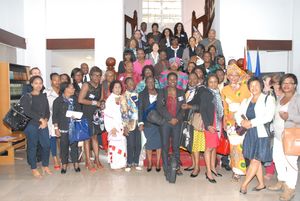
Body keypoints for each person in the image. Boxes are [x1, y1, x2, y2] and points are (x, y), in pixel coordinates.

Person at [235, 77, 275, 194]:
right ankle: (261, 184)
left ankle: (244, 184)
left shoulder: (269, 99)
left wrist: (251, 123)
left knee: (256, 160)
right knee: (253, 159)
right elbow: (238, 114)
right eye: (251, 86)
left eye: (256, 85)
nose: (254, 88)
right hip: (250, 133)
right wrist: (242, 122)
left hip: (262, 133)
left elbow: (268, 116)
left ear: (261, 86)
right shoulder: (246, 101)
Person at [268, 74, 300, 201]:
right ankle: (282, 181)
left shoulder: (297, 99)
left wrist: (290, 117)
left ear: (295, 85)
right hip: (277, 135)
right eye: (284, 83)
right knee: (278, 159)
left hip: (291, 136)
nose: (286, 85)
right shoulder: (280, 97)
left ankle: (290, 188)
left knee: (291, 162)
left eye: (290, 83)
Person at [221, 64, 251, 181]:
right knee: (234, 147)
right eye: (231, 75)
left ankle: (246, 167)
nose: (233, 77)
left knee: (244, 146)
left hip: (244, 121)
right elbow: (225, 107)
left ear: (239, 76)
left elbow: (250, 103)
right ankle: (236, 171)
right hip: (231, 123)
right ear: (227, 77)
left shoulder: (245, 87)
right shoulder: (224, 90)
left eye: (236, 75)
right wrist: (225, 121)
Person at [181, 72, 214, 178]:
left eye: (194, 79)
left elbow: (201, 107)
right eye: (189, 79)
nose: (191, 81)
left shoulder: (201, 90)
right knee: (190, 143)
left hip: (197, 120)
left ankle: (197, 168)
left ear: (198, 79)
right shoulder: (187, 90)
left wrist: (189, 107)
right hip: (187, 119)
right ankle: (194, 164)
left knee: (195, 144)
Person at [21, 76, 51, 178]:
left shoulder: (43, 96)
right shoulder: (26, 97)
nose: (38, 85)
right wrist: (41, 119)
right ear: (32, 84)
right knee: (33, 147)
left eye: (40, 83)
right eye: (36, 83)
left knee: (46, 145)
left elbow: (47, 111)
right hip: (31, 125)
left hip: (43, 125)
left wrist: (45, 120)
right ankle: (33, 168)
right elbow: (28, 111)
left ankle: (45, 166)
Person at [157, 72, 185, 176]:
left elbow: (183, 108)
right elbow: (159, 107)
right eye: (170, 79)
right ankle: (166, 167)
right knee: (165, 145)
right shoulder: (162, 92)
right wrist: (170, 118)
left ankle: (176, 167)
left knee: (176, 145)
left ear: (177, 81)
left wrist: (177, 119)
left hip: (177, 123)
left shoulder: (181, 92)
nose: (172, 81)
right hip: (165, 122)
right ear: (167, 81)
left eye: (174, 79)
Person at [52, 82, 81, 174]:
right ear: (65, 89)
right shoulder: (58, 101)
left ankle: (76, 163)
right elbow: (55, 116)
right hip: (63, 127)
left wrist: (75, 115)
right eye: (71, 88)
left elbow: (80, 111)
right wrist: (56, 128)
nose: (74, 90)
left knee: (74, 146)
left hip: (74, 126)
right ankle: (64, 164)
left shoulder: (75, 99)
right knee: (63, 146)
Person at [78, 66, 103, 171]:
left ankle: (97, 159)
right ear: (90, 76)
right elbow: (80, 100)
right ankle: (88, 161)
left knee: (95, 137)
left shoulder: (100, 86)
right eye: (95, 75)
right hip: (86, 113)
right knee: (87, 138)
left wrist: (102, 103)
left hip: (95, 114)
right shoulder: (86, 85)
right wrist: (94, 102)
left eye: (99, 75)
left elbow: (101, 99)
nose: (97, 77)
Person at [138, 76, 162, 172]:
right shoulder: (142, 94)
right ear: (146, 83)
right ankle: (149, 163)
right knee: (149, 144)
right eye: (149, 82)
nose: (151, 83)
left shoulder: (160, 92)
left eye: (152, 82)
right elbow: (140, 109)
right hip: (147, 122)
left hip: (159, 122)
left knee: (159, 143)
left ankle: (157, 163)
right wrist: (140, 122)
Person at [205, 74, 225, 182]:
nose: (213, 84)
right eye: (210, 82)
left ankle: (213, 168)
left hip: (218, 122)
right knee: (209, 147)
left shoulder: (218, 93)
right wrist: (208, 125)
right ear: (207, 83)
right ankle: (208, 172)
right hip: (210, 123)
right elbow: (203, 110)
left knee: (214, 147)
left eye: (215, 82)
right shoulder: (206, 93)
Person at [104, 80, 127, 169]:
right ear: (112, 89)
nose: (118, 89)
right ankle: (115, 165)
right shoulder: (110, 100)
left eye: (119, 87)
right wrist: (111, 127)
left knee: (122, 144)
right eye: (116, 87)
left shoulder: (122, 98)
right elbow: (107, 116)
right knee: (115, 145)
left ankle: (122, 163)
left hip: (121, 126)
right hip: (114, 127)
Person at [121, 77, 141, 171]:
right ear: (126, 85)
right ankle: (129, 162)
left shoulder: (138, 95)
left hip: (138, 123)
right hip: (130, 123)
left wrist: (141, 122)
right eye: (129, 83)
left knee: (138, 144)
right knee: (131, 144)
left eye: (133, 83)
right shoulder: (124, 96)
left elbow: (141, 109)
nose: (132, 85)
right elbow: (124, 112)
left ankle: (136, 162)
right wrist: (125, 126)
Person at [44, 73, 61, 171]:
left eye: (59, 80)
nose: (57, 82)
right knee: (53, 138)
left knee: (62, 138)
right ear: (51, 81)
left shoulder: (63, 92)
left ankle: (63, 156)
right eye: (55, 80)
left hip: (62, 119)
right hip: (50, 119)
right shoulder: (46, 92)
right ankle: (55, 158)